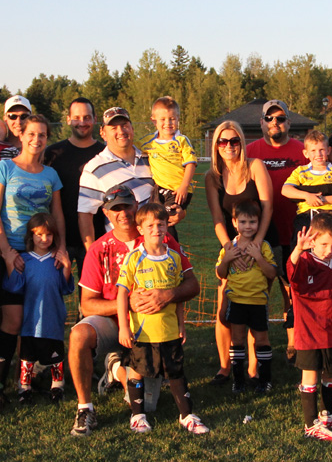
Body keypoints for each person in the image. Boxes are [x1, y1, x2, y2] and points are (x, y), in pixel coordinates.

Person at [68, 185, 198, 436]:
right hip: (114, 323)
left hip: (151, 325)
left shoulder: (158, 235)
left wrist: (168, 294)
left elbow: (192, 284)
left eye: (126, 205)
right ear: (105, 213)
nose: (122, 213)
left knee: (147, 403)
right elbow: (86, 304)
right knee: (78, 335)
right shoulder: (99, 248)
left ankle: (116, 368)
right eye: (115, 208)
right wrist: (126, 303)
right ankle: (85, 407)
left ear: (136, 205)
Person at [0, 114, 67, 408]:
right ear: (21, 136)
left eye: (42, 135)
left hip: (42, 254)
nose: (36, 140)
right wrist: (6, 251)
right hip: (12, 252)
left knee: (40, 315)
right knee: (12, 320)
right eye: (31, 134)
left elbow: (56, 215)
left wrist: (61, 248)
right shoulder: (4, 168)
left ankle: (36, 373)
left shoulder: (50, 174)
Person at [116, 203, 208, 435]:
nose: (156, 229)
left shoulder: (174, 258)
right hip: (143, 332)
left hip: (168, 330)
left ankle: (186, 415)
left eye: (161, 224)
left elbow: (178, 296)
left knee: (176, 371)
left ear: (167, 226)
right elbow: (121, 294)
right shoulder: (133, 258)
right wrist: (124, 328)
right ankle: (137, 416)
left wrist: (181, 324)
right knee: (137, 370)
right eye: (150, 225)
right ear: (140, 229)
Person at [204, 121, 275, 386]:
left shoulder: (255, 166)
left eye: (234, 141)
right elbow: (216, 217)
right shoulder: (212, 176)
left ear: (242, 143)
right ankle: (226, 368)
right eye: (223, 142)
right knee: (225, 309)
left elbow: (268, 208)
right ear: (216, 146)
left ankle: (255, 371)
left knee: (256, 305)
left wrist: (254, 245)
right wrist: (230, 248)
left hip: (260, 242)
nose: (229, 146)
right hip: (230, 244)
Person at [246, 99, 308, 358]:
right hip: (262, 232)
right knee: (260, 287)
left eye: (280, 118)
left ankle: (293, 342)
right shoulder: (250, 151)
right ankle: (256, 344)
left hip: (296, 233)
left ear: (288, 122)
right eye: (269, 118)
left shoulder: (303, 150)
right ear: (261, 122)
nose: (275, 123)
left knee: (293, 289)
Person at [3, 213, 74, 404]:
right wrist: (10, 263)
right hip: (30, 318)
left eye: (49, 235)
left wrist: (67, 266)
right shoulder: (25, 260)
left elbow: (65, 287)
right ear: (31, 236)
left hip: (52, 317)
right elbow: (15, 286)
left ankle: (57, 385)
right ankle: (24, 386)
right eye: (39, 235)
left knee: (55, 355)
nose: (44, 239)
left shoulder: (56, 260)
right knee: (28, 356)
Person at [287, 212, 332, 441]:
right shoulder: (305, 262)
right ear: (311, 242)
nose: (329, 250)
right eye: (323, 244)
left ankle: (326, 415)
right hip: (309, 332)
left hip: (331, 331)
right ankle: (310, 424)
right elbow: (292, 276)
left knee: (331, 376)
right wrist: (298, 250)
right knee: (310, 375)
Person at [215, 200, 277, 394]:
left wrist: (258, 257)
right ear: (234, 223)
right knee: (238, 339)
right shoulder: (229, 248)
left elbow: (272, 274)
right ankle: (238, 380)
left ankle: (265, 379)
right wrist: (226, 259)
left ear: (258, 224)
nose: (248, 226)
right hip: (237, 301)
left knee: (261, 339)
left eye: (252, 222)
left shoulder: (263, 246)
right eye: (243, 222)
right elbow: (221, 274)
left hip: (258, 301)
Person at [77, 107, 156, 250]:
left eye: (125, 126)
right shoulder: (94, 168)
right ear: (103, 133)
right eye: (113, 127)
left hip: (155, 247)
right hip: (122, 251)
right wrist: (92, 254)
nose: (121, 131)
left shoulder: (150, 158)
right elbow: (85, 215)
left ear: (132, 129)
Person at [44, 98, 106, 271]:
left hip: (96, 238)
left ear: (94, 119)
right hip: (59, 241)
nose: (82, 122)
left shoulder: (105, 154)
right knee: (54, 293)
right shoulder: (53, 153)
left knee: (93, 295)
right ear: (68, 119)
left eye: (87, 117)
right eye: (77, 117)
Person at [137, 96, 197, 239]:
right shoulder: (148, 142)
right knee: (153, 217)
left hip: (178, 190)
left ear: (178, 119)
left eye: (172, 119)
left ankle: (172, 248)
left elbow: (191, 164)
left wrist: (184, 186)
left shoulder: (181, 140)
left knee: (166, 219)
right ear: (154, 121)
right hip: (159, 189)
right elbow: (133, 149)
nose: (168, 123)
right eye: (163, 119)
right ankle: (156, 247)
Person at [282, 129, 332, 240]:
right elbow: (285, 190)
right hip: (305, 216)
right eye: (313, 150)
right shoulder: (300, 171)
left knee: (328, 250)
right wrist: (307, 196)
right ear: (306, 153)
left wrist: (321, 199)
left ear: (328, 150)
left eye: (321, 150)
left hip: (330, 216)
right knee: (302, 251)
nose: (318, 154)